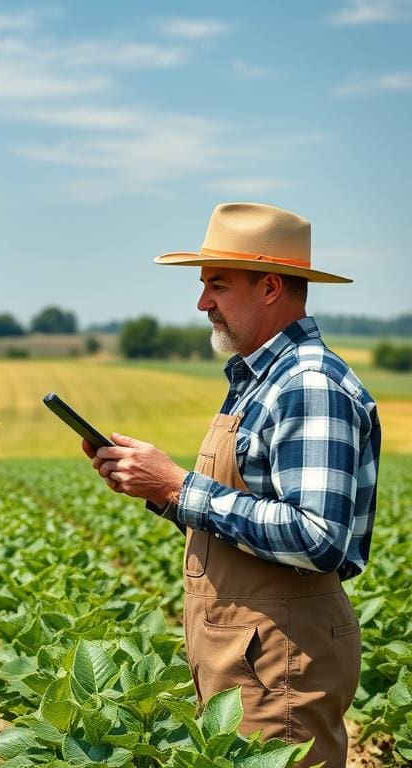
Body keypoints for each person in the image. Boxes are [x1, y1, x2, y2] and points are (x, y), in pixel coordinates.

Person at [84, 202, 380, 768]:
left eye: (217, 285)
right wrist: (159, 491)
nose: (202, 303)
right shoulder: (259, 379)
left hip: (279, 663)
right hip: (251, 656)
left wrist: (178, 485)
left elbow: (318, 537)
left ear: (271, 287)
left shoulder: (308, 385)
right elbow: (256, 508)